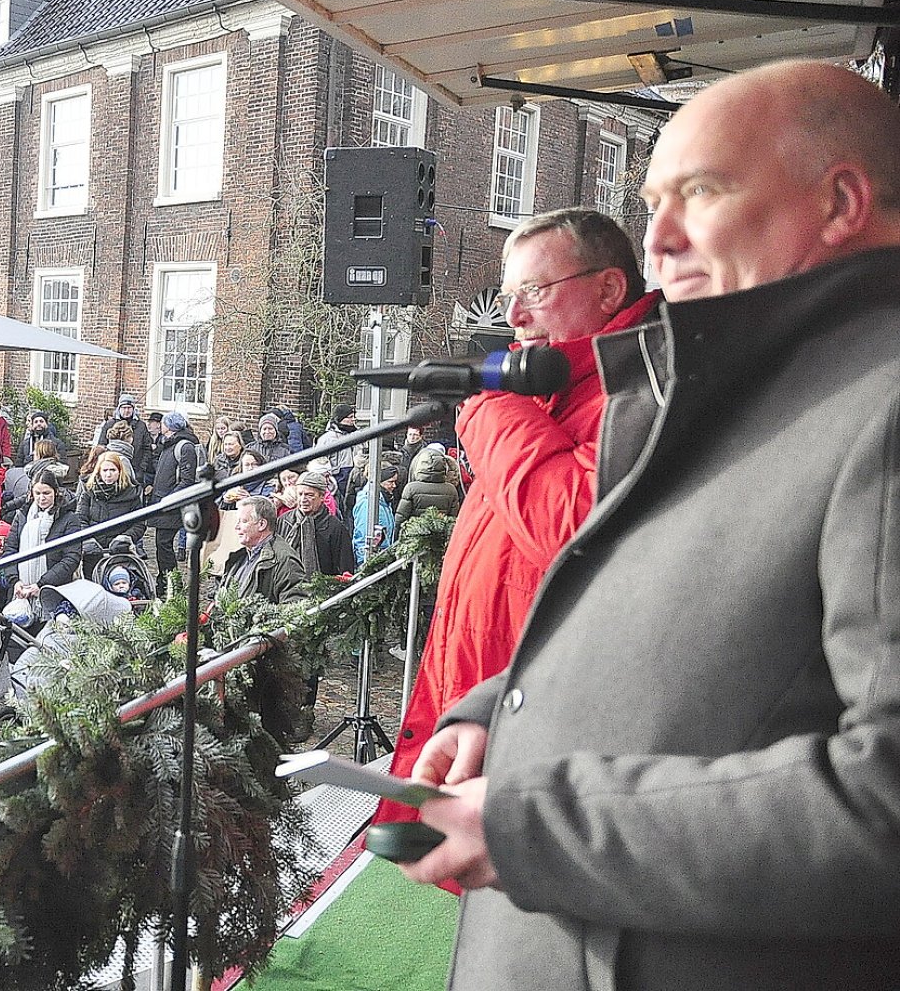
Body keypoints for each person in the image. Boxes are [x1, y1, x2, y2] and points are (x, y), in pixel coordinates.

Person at [400, 61, 900, 990]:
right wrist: (498, 712)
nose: (659, 242)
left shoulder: (878, 401)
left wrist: (531, 827)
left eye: (699, 193)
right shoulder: (743, 383)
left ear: (840, 203)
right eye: (652, 203)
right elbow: (689, 619)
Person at [375, 207, 659, 842]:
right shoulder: (545, 394)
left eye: (534, 292)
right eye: (510, 297)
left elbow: (566, 530)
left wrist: (490, 410)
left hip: (550, 734)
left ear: (610, 289)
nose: (513, 317)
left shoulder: (636, 389)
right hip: (486, 718)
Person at [0, 473, 83, 598]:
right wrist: (15, 580)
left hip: (56, 589)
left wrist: (42, 583)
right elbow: (10, 549)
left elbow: (71, 557)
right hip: (20, 590)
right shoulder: (22, 516)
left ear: (56, 492)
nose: (41, 498)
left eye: (46, 493)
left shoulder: (69, 518)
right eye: (37, 493)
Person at [217, 495, 307, 603]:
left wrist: (259, 618)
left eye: (243, 521)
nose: (237, 526)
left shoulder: (286, 560)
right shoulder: (239, 557)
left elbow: (295, 609)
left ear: (262, 524)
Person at [149, 412, 200, 585]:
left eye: (163, 422)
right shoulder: (168, 444)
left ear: (169, 426)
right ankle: (165, 580)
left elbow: (187, 480)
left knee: (164, 545)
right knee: (161, 545)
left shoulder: (184, 447)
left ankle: (171, 583)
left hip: (172, 504)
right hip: (162, 500)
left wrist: (168, 500)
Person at [275, 470, 354, 576]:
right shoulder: (284, 521)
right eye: (300, 494)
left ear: (322, 497)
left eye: (309, 495)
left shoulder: (335, 528)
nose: (303, 499)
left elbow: (345, 569)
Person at [75, 448, 144, 548]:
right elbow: (80, 518)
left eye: (112, 470)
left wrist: (125, 538)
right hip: (93, 548)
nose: (108, 474)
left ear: (120, 471)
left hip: (121, 548)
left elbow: (139, 523)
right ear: (99, 471)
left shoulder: (132, 493)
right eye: (105, 470)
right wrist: (88, 539)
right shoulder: (89, 492)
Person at [394, 447, 461, 523]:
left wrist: (396, 533)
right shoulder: (451, 490)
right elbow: (453, 519)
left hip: (414, 532)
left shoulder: (411, 488)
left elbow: (401, 517)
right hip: (442, 533)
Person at [350, 465, 399, 560]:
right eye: (390, 482)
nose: (394, 486)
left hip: (382, 558)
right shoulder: (367, 503)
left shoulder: (384, 501)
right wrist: (364, 564)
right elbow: (362, 537)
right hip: (372, 560)